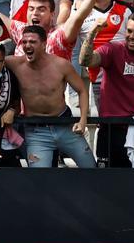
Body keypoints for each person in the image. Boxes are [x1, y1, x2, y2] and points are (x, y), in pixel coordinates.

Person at [80, 11, 134, 167]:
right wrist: (92, 33)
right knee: (107, 184)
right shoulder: (112, 50)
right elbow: (85, 60)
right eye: (129, 31)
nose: (131, 36)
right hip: (112, 129)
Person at [10, 24, 97, 169]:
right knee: (40, 178)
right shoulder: (15, 64)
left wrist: (82, 120)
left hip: (65, 126)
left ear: (44, 44)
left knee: (90, 167)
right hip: (36, 131)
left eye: (32, 42)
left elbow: (82, 90)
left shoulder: (61, 65)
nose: (27, 45)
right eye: (24, 42)